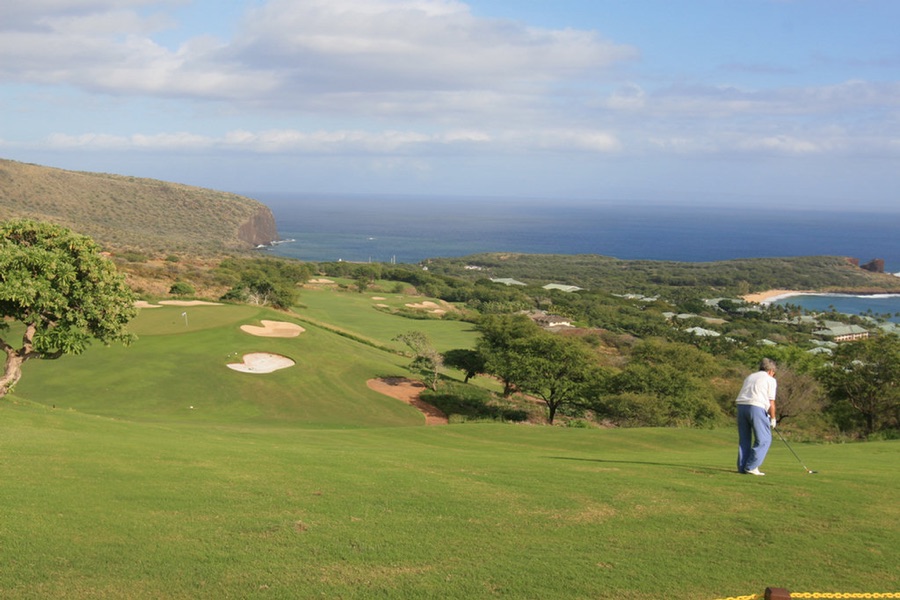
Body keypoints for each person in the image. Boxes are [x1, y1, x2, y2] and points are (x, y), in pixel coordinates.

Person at [735, 358, 777, 476]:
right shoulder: (770, 380)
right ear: (770, 371)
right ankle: (751, 466)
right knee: (764, 439)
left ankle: (742, 467)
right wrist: (773, 418)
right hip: (756, 406)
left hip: (741, 406)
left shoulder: (750, 376)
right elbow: (771, 402)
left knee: (745, 439)